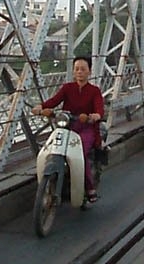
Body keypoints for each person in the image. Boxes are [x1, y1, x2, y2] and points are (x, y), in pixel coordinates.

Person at [32, 55, 104, 202]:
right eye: (76, 69)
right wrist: (41, 108)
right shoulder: (67, 88)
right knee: (52, 148)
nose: (79, 72)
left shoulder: (94, 91)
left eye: (83, 69)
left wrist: (94, 115)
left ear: (89, 71)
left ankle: (90, 188)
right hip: (67, 126)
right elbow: (54, 101)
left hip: (86, 128)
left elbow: (99, 109)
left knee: (80, 153)